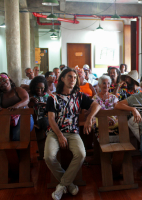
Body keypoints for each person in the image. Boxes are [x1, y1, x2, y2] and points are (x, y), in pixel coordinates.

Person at [44, 68, 101, 200]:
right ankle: (69, 185)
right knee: (48, 157)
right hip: (55, 132)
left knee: (81, 154)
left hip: (73, 132)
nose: (73, 79)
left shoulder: (79, 96)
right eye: (70, 76)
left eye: (75, 77)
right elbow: (51, 119)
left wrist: (89, 118)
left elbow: (96, 105)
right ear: (62, 79)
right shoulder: (53, 97)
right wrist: (59, 135)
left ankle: (62, 185)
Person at [0, 73, 34, 156]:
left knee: (17, 136)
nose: (2, 83)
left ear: (9, 79)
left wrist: (16, 106)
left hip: (23, 117)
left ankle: (19, 159)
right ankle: (2, 159)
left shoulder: (18, 90)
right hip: (7, 119)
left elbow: (26, 99)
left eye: (4, 80)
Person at [92, 75, 119, 141]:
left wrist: (112, 119)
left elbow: (117, 109)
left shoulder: (113, 97)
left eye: (108, 83)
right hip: (99, 120)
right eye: (104, 83)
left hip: (112, 121)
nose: (106, 85)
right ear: (99, 85)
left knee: (121, 124)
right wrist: (106, 118)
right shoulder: (95, 98)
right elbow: (95, 112)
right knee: (96, 124)